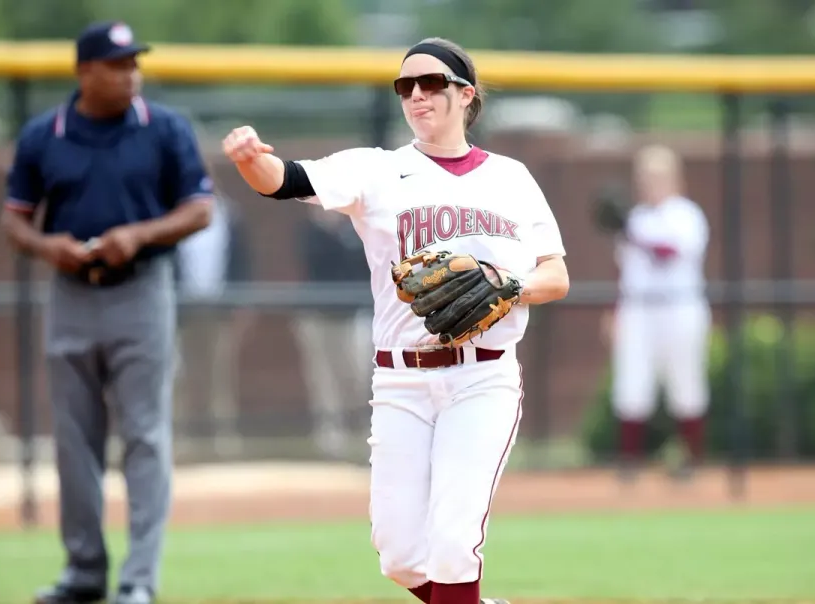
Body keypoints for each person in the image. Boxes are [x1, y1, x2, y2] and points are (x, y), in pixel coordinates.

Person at [222, 37, 569, 604]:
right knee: (400, 556)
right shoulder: (377, 170)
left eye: (430, 83)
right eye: (405, 86)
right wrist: (248, 159)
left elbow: (555, 276)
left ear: (466, 94)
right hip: (401, 380)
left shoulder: (512, 178)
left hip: (482, 377)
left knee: (453, 542)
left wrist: (510, 286)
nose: (416, 95)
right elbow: (284, 179)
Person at [0, 21, 212, 604]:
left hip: (142, 290)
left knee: (144, 435)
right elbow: (14, 220)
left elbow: (200, 209)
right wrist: (47, 246)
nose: (131, 74)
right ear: (85, 72)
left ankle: (138, 580)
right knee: (73, 439)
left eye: (134, 63)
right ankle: (84, 571)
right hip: (69, 292)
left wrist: (138, 235)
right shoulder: (45, 134)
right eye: (118, 64)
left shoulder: (164, 127)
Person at [599, 145, 710, 482]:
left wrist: (631, 232)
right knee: (631, 384)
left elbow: (669, 253)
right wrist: (615, 312)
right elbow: (627, 272)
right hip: (638, 309)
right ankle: (629, 462)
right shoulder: (636, 217)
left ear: (675, 179)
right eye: (645, 177)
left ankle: (691, 460)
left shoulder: (686, 214)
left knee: (686, 384)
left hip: (680, 307)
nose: (651, 183)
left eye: (658, 176)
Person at [174, 193, 253, 458]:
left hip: (220, 308)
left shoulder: (230, 216)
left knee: (220, 373)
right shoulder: (175, 215)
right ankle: (181, 438)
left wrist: (241, 304)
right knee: (181, 375)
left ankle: (223, 439)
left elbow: (242, 261)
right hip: (182, 309)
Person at [292, 209, 373, 459]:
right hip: (318, 316)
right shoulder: (310, 232)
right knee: (323, 378)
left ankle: (363, 431)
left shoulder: (356, 231)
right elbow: (314, 264)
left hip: (354, 315)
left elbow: (364, 269)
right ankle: (331, 436)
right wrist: (328, 229)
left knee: (359, 375)